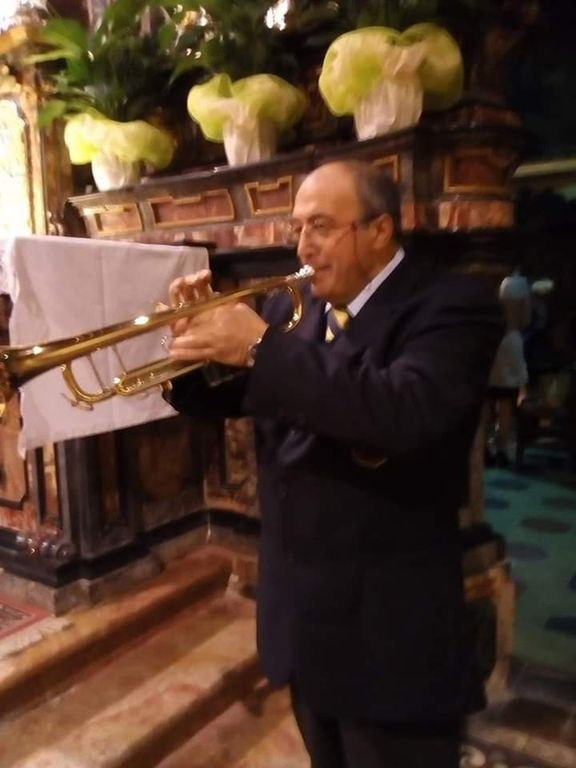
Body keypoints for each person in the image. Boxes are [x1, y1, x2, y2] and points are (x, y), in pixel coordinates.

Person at [164, 160, 503, 768]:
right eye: (297, 228)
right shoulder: (289, 309)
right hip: (302, 623)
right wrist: (192, 350)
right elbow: (237, 394)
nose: (302, 247)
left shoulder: (452, 305)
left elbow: (402, 411)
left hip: (389, 640)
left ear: (379, 229)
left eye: (321, 226)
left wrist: (259, 348)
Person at [485, 273, 530, 468]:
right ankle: (502, 450)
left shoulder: (494, 284)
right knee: (505, 400)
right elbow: (525, 320)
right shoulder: (521, 286)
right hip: (512, 340)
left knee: (488, 398)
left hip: (492, 341)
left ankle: (484, 448)